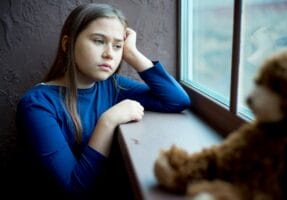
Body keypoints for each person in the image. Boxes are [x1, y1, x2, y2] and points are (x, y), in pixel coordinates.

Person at [16, 3, 190, 199]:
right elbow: (74, 189)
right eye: (99, 41)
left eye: (117, 46)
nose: (110, 54)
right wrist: (108, 121)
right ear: (67, 45)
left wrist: (131, 53)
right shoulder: (37, 105)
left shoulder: (113, 86)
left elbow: (177, 100)